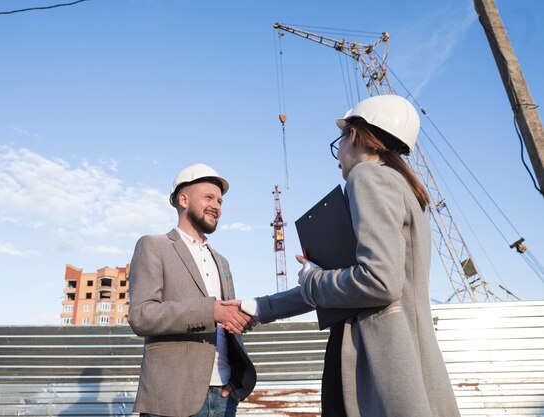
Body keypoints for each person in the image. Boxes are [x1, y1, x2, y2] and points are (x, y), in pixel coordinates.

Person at [244, 95, 461, 417]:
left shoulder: (368, 176)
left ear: (354, 135)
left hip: (380, 357)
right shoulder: (400, 185)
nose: (338, 158)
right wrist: (261, 307)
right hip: (402, 357)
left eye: (339, 141)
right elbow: (347, 281)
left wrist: (313, 277)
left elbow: (378, 282)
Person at [128, 163, 257, 417]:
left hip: (224, 395)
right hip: (173, 397)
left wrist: (237, 321)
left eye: (220, 201)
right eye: (209, 197)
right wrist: (210, 311)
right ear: (183, 199)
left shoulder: (222, 261)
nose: (217, 206)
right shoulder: (153, 246)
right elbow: (141, 316)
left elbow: (224, 320)